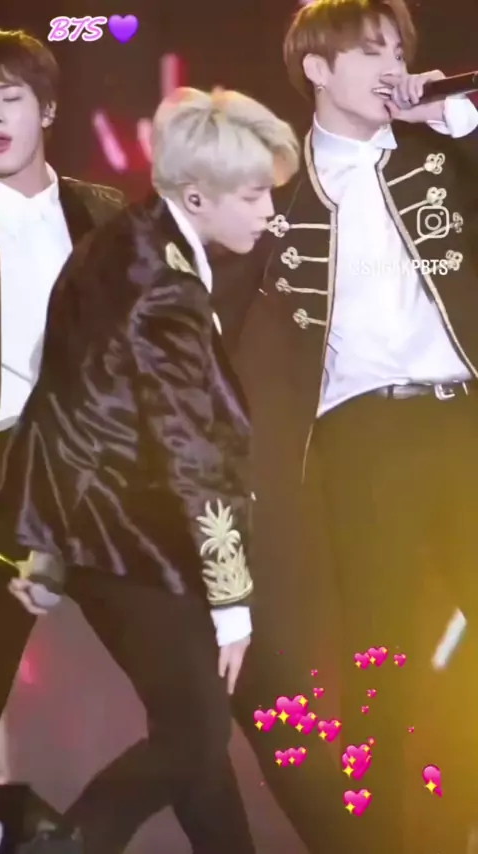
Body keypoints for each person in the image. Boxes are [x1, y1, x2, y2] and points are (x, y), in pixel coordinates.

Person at [0, 86, 300, 854]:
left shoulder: (130, 238)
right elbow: (193, 449)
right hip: (116, 526)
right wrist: (232, 602)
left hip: (91, 517)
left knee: (192, 727)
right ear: (196, 196)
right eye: (254, 195)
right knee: (195, 729)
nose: (269, 212)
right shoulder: (162, 283)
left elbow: (79, 393)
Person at [212, 1, 478, 853]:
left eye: (398, 49)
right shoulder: (278, 191)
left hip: (464, 423)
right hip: (361, 444)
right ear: (318, 69)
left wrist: (459, 120)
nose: (392, 66)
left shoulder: (443, 154)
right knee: (385, 667)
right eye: (370, 52)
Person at [0, 27, 124, 835]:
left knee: (191, 695)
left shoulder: (100, 213)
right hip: (5, 466)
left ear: (45, 109)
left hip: (96, 472)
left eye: (6, 99)